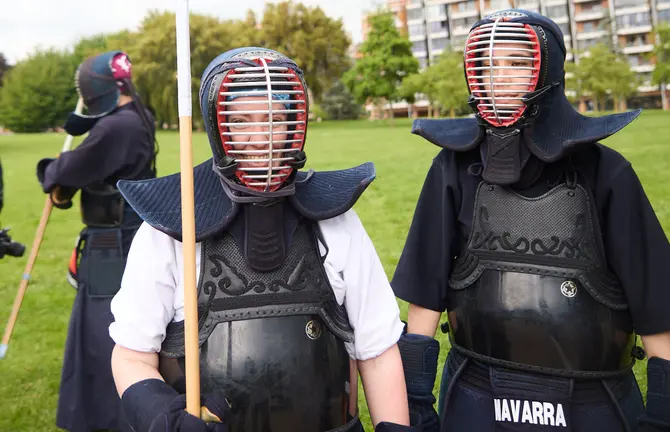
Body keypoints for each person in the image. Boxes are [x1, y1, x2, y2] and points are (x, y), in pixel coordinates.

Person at [392, 10, 670, 432]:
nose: (498, 76)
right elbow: (426, 296)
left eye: (517, 62)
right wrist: (413, 404)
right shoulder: (452, 169)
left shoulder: (606, 173)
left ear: (550, 71)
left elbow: (657, 310)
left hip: (592, 398)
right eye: (487, 64)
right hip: (477, 391)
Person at [109, 47, 418, 432]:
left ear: (294, 123)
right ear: (217, 127)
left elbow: (377, 351)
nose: (260, 138)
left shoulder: (337, 223)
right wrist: (164, 419)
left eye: (274, 119)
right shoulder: (174, 228)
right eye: (240, 121)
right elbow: (131, 356)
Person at [35, 50, 157, 432]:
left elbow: (65, 171)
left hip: (113, 245)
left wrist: (51, 172)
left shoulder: (115, 129)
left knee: (104, 334)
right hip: (127, 238)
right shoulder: (137, 116)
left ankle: (110, 419)